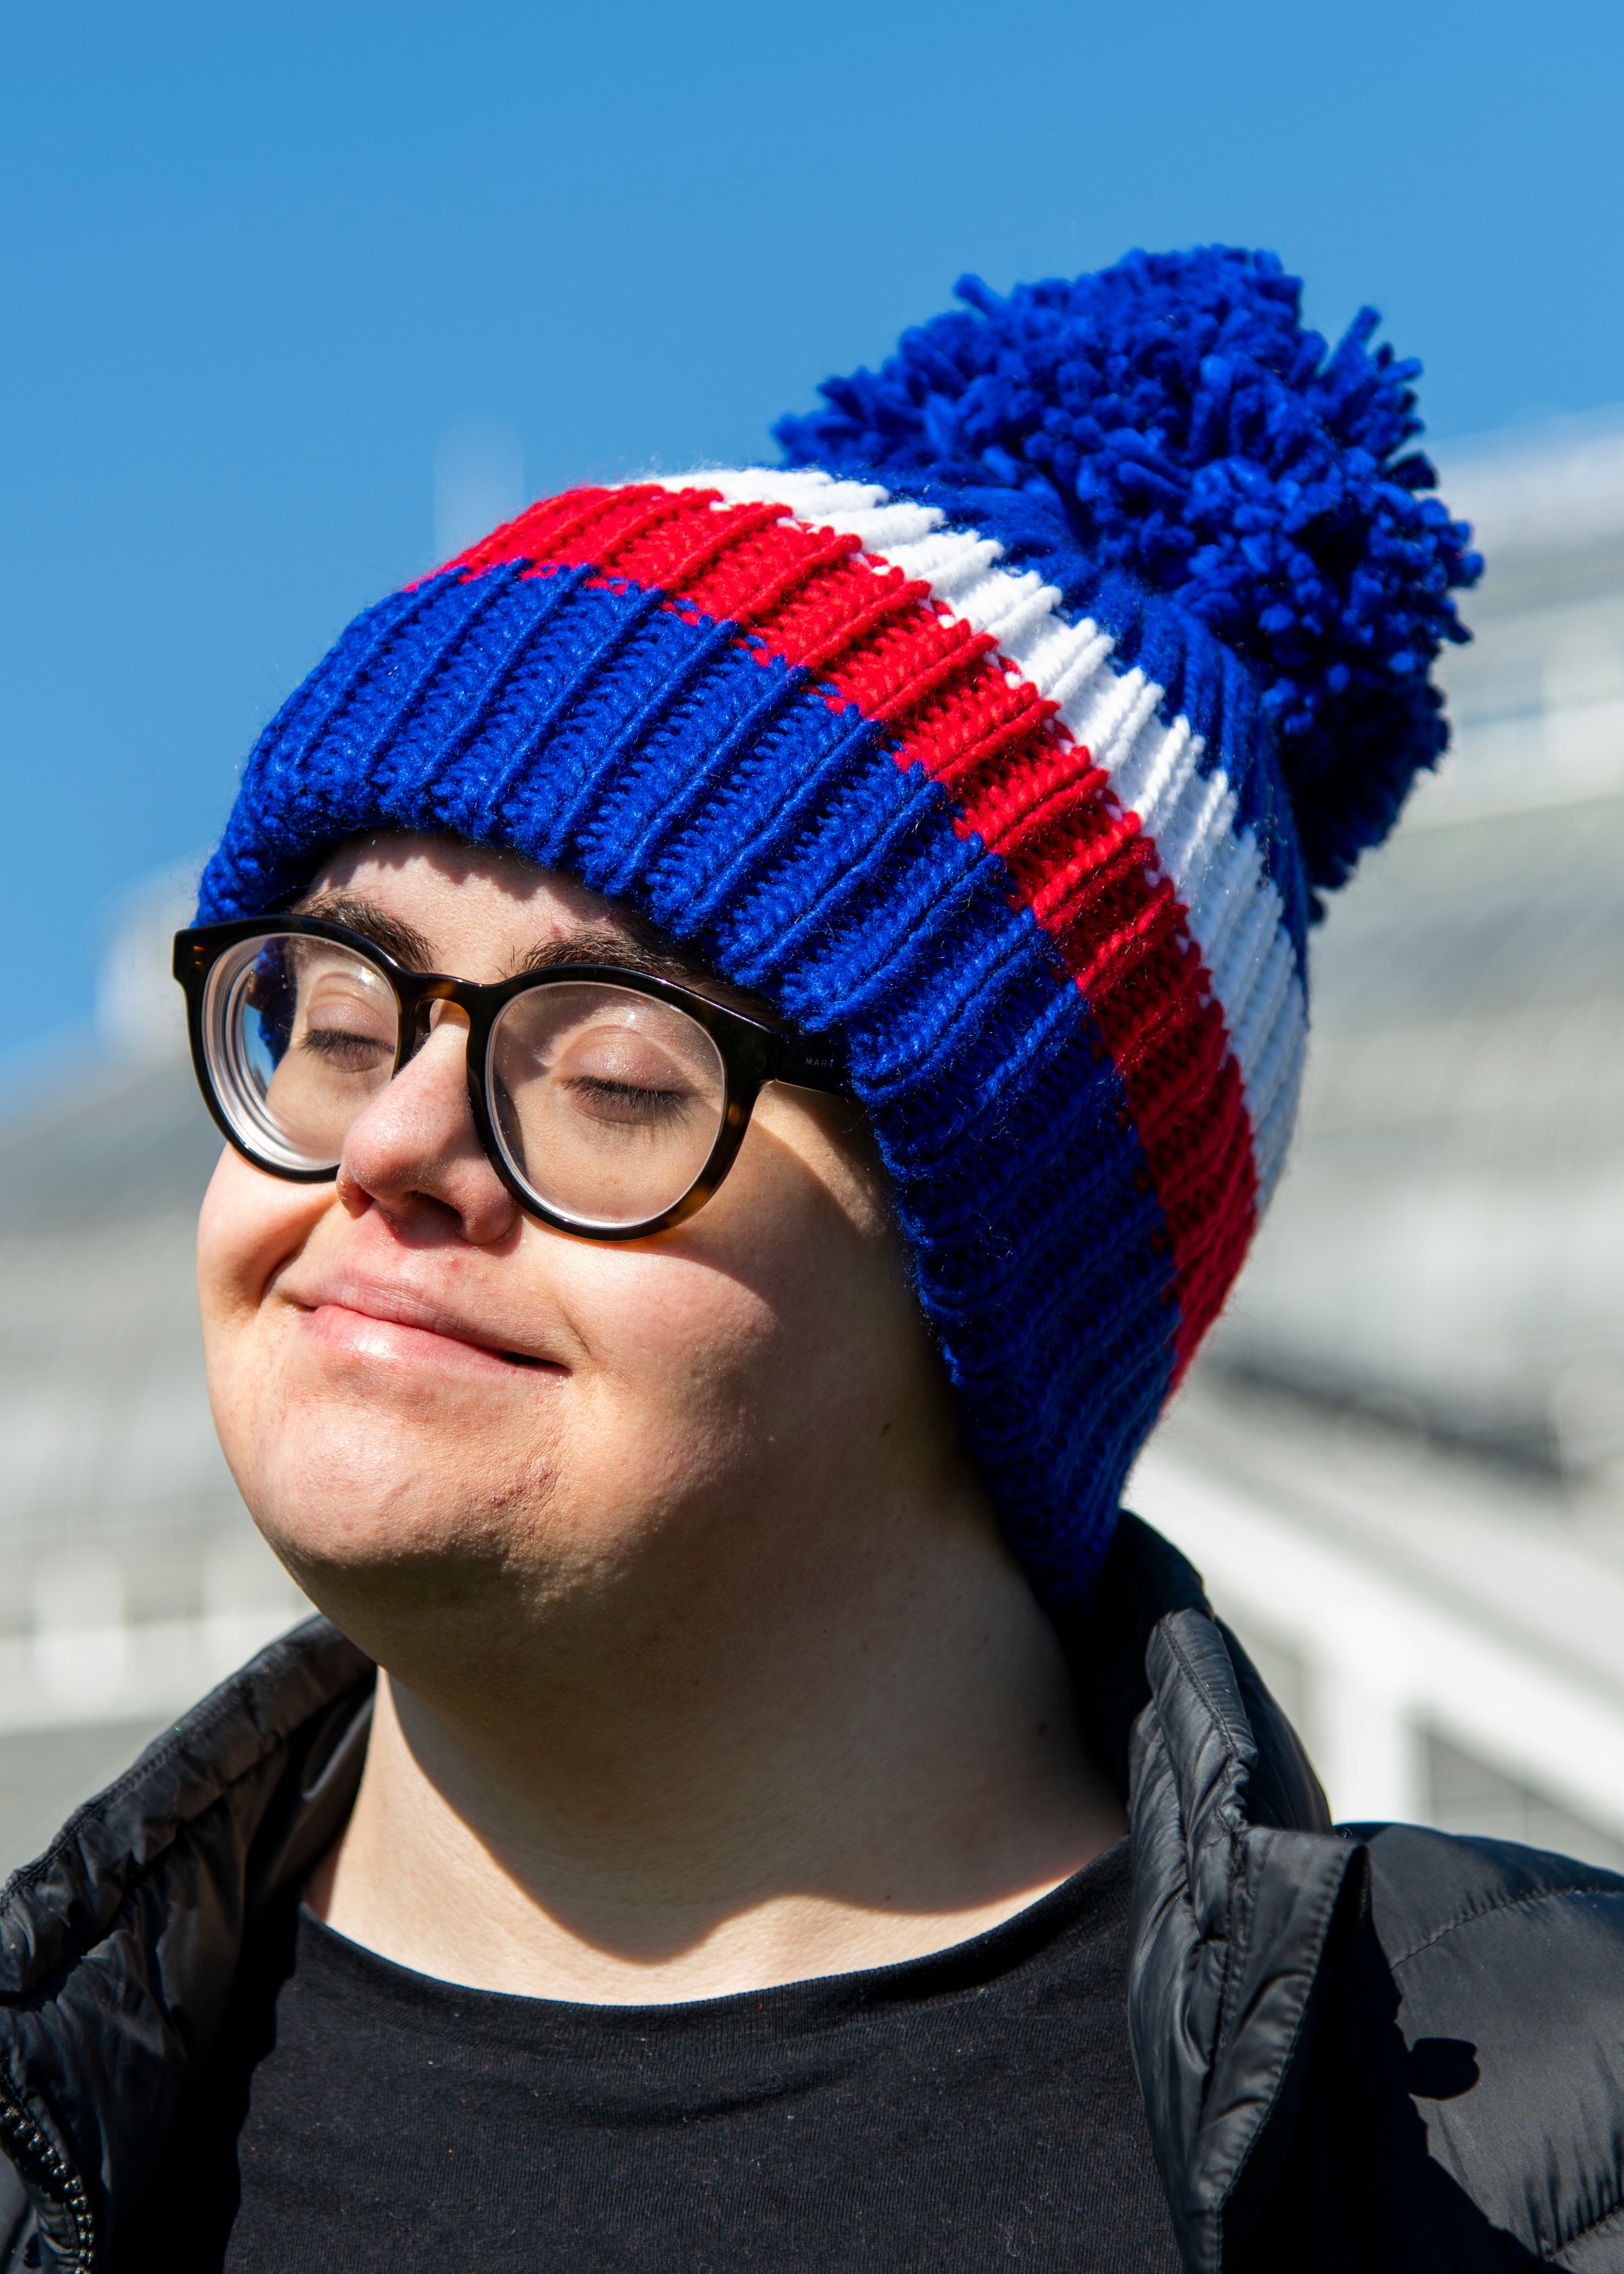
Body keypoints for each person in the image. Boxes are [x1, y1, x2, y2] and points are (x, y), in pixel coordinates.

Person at [4, 246, 1622, 2274]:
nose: (398, 1144)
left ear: (990, 1288)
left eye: (605, 1071)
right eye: (334, 1020)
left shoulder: (1528, 2142)